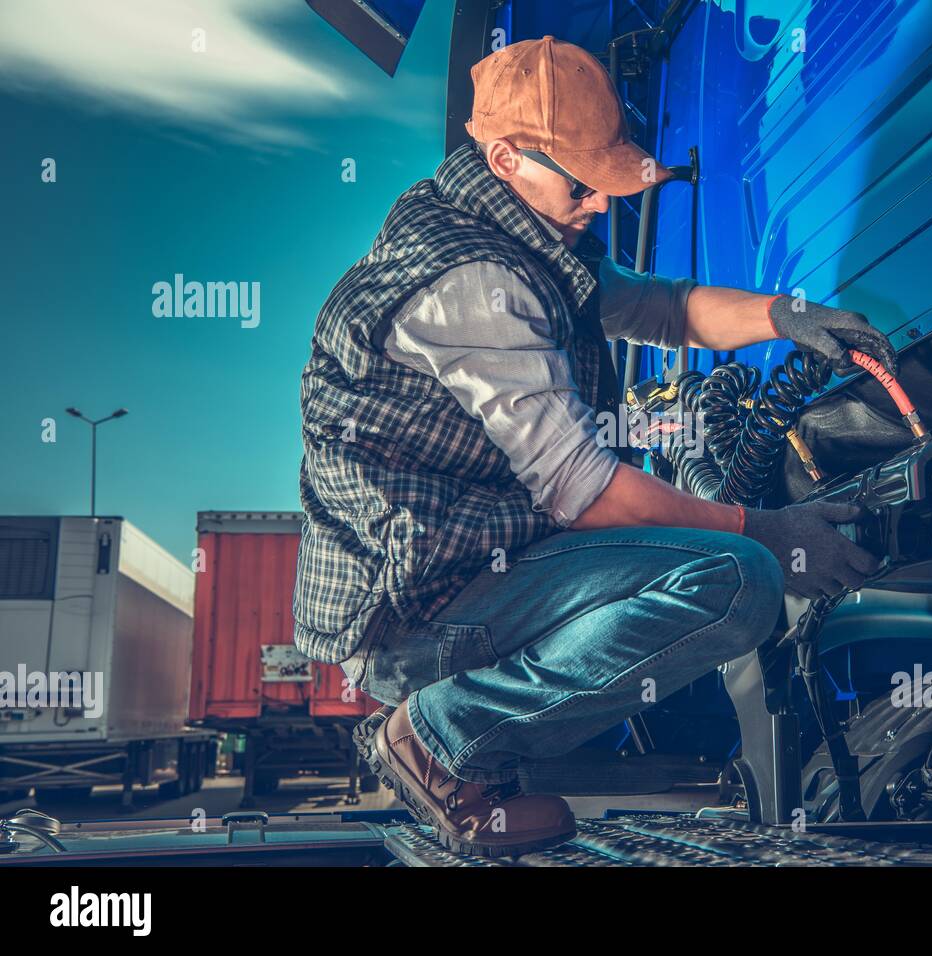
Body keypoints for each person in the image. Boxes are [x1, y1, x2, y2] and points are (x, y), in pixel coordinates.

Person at [293, 36, 894, 857]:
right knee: (732, 580)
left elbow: (658, 307)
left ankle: (465, 739)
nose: (602, 203)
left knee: (723, 559)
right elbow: (589, 494)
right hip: (416, 618)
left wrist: (784, 315)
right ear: (506, 158)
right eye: (585, 183)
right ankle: (441, 738)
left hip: (460, 574)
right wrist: (773, 534)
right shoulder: (473, 282)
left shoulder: (518, 235)